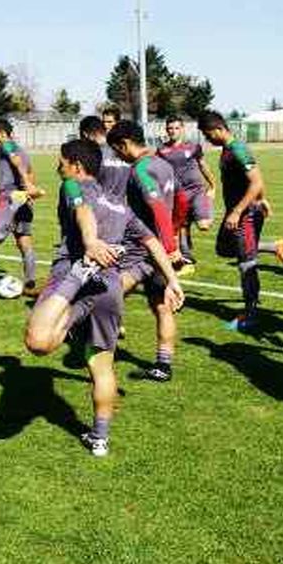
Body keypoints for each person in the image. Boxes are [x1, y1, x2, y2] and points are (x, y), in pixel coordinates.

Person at [24, 139, 183, 456]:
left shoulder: (72, 185)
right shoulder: (121, 206)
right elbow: (152, 242)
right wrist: (173, 279)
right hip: (110, 290)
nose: (59, 167)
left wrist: (90, 242)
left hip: (77, 273)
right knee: (101, 366)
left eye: (61, 162)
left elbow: (82, 209)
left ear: (76, 166)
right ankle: (99, 437)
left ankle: (75, 287)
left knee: (38, 341)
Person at [196, 110, 283, 332]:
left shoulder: (237, 149)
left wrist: (238, 211)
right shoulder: (228, 149)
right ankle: (274, 246)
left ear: (219, 129)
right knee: (223, 248)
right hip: (238, 211)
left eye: (207, 134)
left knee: (246, 264)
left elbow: (255, 181)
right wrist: (262, 199)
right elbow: (256, 179)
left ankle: (251, 314)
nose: (207, 139)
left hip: (245, 214)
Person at [107, 119, 182, 381]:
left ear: (125, 144)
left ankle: (103, 348)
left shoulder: (140, 170)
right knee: (161, 306)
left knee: (108, 291)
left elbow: (158, 207)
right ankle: (164, 365)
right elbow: (181, 202)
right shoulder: (164, 163)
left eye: (117, 150)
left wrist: (169, 246)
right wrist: (174, 239)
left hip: (144, 250)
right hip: (162, 249)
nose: (117, 156)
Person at [0, 118, 43, 295]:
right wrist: (29, 190)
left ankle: (9, 222)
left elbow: (16, 160)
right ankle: (30, 282)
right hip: (23, 198)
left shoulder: (7, 146)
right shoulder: (22, 149)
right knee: (24, 243)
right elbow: (30, 170)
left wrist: (25, 185)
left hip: (9, 197)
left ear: (2, 134)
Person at [157, 114, 217, 272]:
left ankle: (204, 206)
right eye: (170, 128)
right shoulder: (162, 150)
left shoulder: (193, 147)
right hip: (177, 194)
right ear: (166, 130)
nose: (173, 131)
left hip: (196, 190)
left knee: (204, 226)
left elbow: (203, 166)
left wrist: (213, 186)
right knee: (180, 227)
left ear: (182, 129)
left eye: (176, 128)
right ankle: (186, 260)